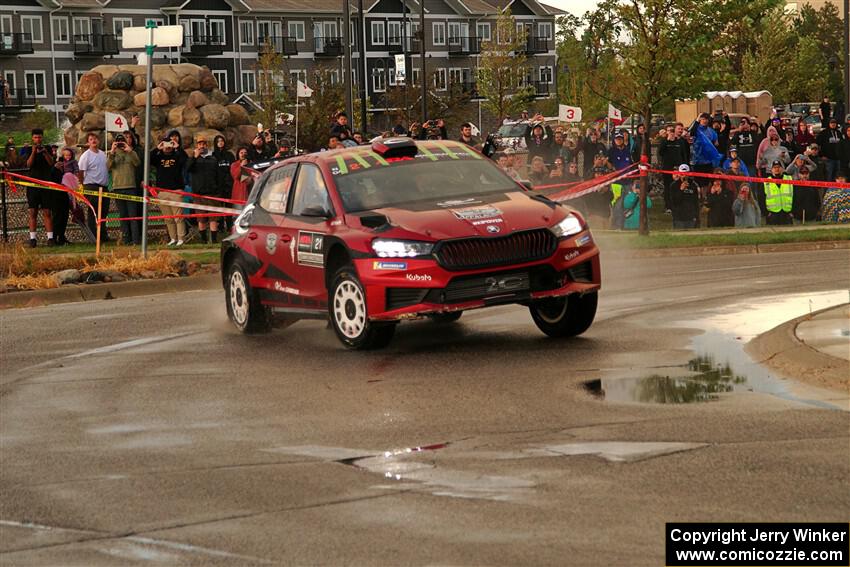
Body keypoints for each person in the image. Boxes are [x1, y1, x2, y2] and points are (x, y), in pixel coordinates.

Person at [20, 128, 56, 247]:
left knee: (47, 212)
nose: (38, 139)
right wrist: (34, 152)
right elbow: (28, 164)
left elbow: (51, 163)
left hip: (45, 184)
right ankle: (33, 239)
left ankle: (50, 238)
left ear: (42, 138)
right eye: (35, 137)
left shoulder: (48, 148)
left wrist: (45, 152)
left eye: (39, 137)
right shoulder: (29, 149)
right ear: (32, 138)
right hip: (33, 185)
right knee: (32, 212)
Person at [150, 135, 188, 246]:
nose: (167, 147)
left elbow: (185, 160)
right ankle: (173, 238)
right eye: (165, 144)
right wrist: (158, 148)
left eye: (169, 144)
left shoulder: (177, 156)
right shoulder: (158, 157)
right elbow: (148, 160)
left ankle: (181, 238)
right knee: (168, 218)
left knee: (178, 218)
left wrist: (178, 147)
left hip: (176, 191)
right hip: (162, 192)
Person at [106, 134, 142, 244]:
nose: (121, 143)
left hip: (130, 187)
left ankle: (135, 240)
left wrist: (129, 150)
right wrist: (112, 151)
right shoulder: (112, 154)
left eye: (123, 141)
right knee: (123, 216)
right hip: (118, 188)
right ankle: (126, 240)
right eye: (118, 142)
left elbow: (137, 163)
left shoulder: (131, 153)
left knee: (132, 216)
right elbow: (108, 167)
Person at [185, 135, 221, 243]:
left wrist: (217, 190)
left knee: (213, 219)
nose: (202, 146)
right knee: (201, 218)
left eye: (203, 144)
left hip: (212, 193)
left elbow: (218, 175)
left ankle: (214, 241)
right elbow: (187, 169)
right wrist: (194, 157)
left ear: (206, 145)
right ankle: (204, 241)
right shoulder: (193, 159)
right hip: (198, 194)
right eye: (199, 144)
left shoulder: (213, 158)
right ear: (197, 145)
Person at [77, 132, 109, 243]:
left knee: (104, 212)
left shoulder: (102, 154)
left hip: (103, 187)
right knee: (93, 212)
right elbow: (80, 172)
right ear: (88, 142)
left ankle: (103, 235)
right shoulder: (86, 156)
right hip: (91, 186)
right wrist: (82, 186)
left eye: (95, 138)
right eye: (91, 139)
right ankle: (94, 237)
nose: (94, 141)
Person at [658, 123, 690, 211]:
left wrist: (685, 166)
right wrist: (667, 141)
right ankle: (668, 206)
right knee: (668, 187)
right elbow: (660, 152)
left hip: (678, 168)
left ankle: (678, 204)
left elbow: (684, 154)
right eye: (669, 131)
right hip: (667, 168)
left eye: (672, 131)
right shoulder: (664, 141)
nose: (671, 133)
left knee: (679, 185)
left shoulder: (679, 141)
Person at [52, 146, 79, 245]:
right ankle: (54, 237)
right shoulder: (55, 166)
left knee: (64, 216)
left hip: (66, 194)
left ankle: (62, 237)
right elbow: (53, 177)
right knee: (57, 217)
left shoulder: (72, 165)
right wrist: (56, 167)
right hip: (57, 195)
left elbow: (75, 173)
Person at [763, 160, 793, 225]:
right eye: (775, 167)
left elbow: (795, 195)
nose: (777, 169)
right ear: (771, 170)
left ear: (782, 169)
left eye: (778, 167)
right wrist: (766, 213)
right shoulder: (766, 181)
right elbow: (761, 198)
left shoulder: (789, 179)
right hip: (772, 214)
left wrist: (792, 211)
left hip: (787, 213)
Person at [670, 164, 699, 229]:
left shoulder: (693, 185)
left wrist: (696, 216)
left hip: (690, 217)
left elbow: (696, 202)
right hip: (679, 218)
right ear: (679, 174)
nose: (684, 175)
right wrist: (681, 190)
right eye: (682, 173)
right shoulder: (674, 186)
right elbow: (674, 202)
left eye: (686, 173)